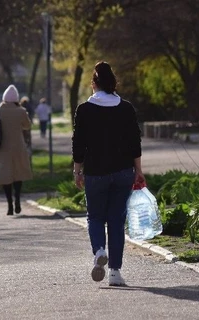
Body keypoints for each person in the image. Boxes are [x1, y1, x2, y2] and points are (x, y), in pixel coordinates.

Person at [72, 61, 144, 286]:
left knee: (95, 217)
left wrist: (77, 171)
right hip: (123, 172)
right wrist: (138, 171)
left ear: (94, 84)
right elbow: (135, 142)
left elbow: (79, 144)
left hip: (96, 173)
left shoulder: (84, 109)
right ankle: (115, 273)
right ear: (113, 84)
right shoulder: (126, 108)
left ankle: (99, 251)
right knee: (116, 221)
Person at [0, 85, 33, 215]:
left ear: (3, 98)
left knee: (5, 177)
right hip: (18, 148)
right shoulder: (21, 111)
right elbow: (27, 126)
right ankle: (17, 200)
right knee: (18, 175)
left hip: (1, 149)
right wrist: (24, 115)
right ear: (16, 99)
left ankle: (10, 205)